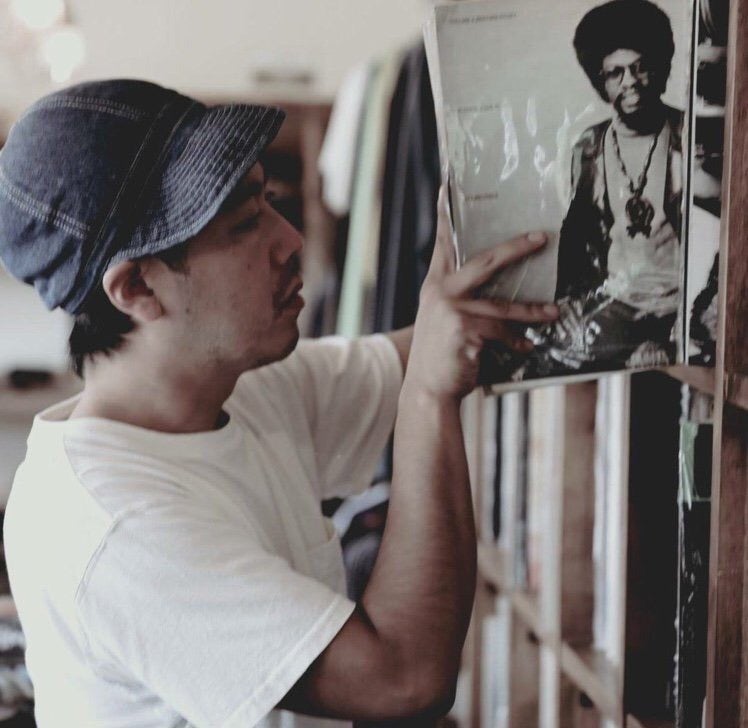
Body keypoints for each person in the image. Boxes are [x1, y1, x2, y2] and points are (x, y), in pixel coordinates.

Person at [0, 79, 558, 727]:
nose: (291, 239)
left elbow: (447, 342)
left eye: (268, 200)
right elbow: (404, 681)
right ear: (137, 289)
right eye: (244, 224)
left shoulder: (241, 390)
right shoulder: (115, 525)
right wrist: (431, 397)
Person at [537, 0, 684, 374]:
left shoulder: (689, 134)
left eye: (640, 67)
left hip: (681, 304)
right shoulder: (590, 146)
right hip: (618, 302)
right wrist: (568, 301)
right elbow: (577, 229)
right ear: (600, 82)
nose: (630, 81)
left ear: (660, 67)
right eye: (615, 73)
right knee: (548, 351)